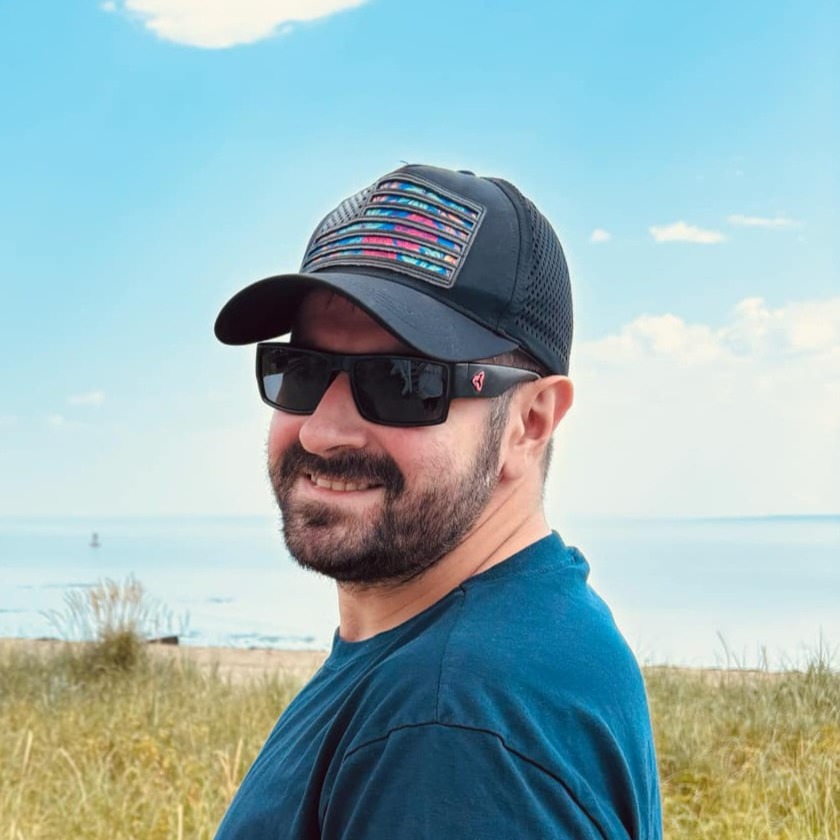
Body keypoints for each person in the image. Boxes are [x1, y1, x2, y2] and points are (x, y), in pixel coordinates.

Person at [213, 164, 662, 839]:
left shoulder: (451, 727)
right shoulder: (521, 630)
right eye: (300, 371)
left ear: (530, 421)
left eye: (405, 382)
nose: (321, 432)